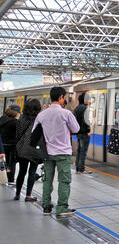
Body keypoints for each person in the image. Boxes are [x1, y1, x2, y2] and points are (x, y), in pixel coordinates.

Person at [32, 86, 80, 217]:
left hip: (47, 153)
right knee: (64, 181)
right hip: (63, 153)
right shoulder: (66, 113)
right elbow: (76, 129)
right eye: (64, 97)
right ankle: (61, 208)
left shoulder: (42, 115)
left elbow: (34, 133)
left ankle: (46, 207)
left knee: (47, 180)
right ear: (61, 97)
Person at [14, 99, 41, 202]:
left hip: (22, 148)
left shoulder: (21, 119)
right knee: (32, 172)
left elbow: (18, 135)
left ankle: (17, 194)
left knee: (22, 171)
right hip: (34, 148)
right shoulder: (39, 120)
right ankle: (28, 195)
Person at [0, 108, 20, 184]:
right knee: (11, 162)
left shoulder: (1, 119)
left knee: (2, 162)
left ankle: (3, 177)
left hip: (2, 144)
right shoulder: (15, 122)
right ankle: (10, 179)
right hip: (11, 145)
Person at [74, 92, 92, 174]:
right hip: (84, 133)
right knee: (83, 151)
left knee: (79, 150)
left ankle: (78, 168)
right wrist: (89, 131)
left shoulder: (77, 108)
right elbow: (86, 121)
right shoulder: (85, 109)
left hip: (78, 132)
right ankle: (81, 169)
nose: (89, 101)